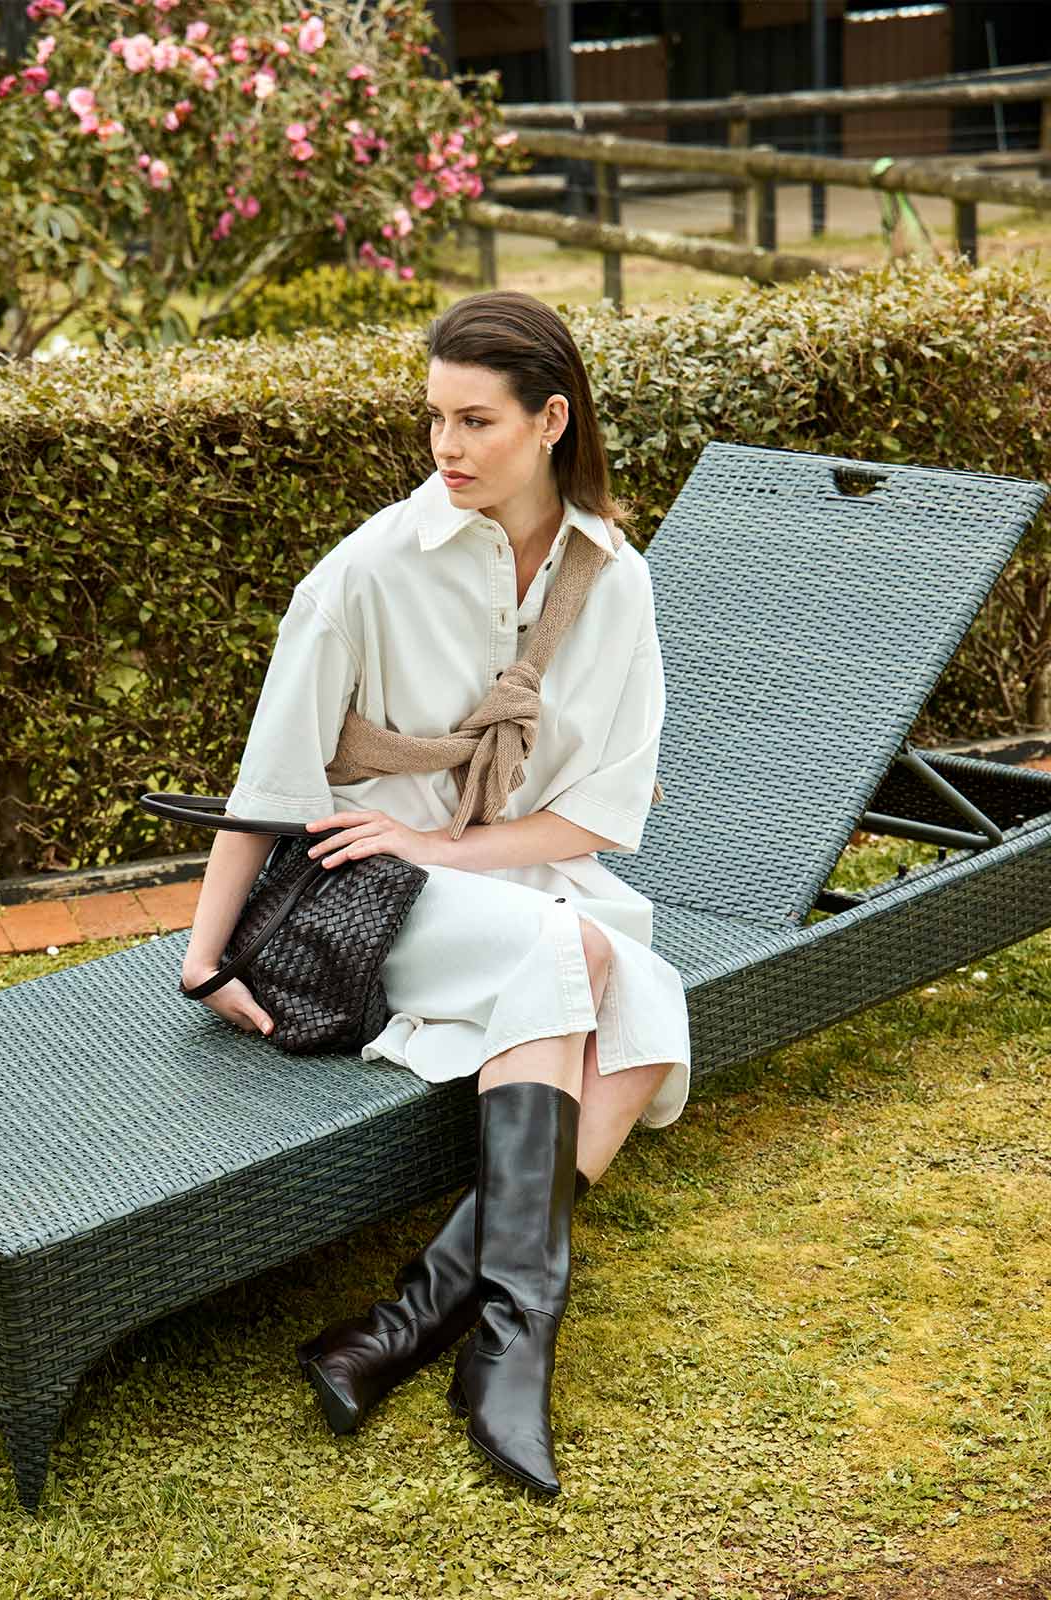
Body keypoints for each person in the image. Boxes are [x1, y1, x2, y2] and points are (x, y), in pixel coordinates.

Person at [180, 290, 692, 1498]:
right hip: (353, 889)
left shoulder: (612, 581)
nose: (446, 450)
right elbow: (269, 785)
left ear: (551, 419)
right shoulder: (365, 573)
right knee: (580, 961)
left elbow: (598, 812)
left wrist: (452, 858)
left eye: (475, 421)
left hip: (497, 871)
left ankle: (404, 1329)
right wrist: (205, 959)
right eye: (433, 421)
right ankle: (508, 1353)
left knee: (645, 997)